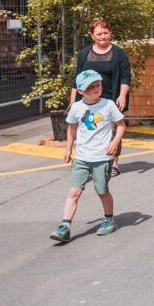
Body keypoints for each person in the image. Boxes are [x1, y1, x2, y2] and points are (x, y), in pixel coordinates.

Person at [50, 70, 126, 243]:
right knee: (74, 191)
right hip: (82, 157)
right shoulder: (77, 107)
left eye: (97, 85)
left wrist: (114, 142)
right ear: (80, 91)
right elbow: (72, 128)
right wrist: (68, 149)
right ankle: (65, 226)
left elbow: (120, 125)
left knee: (102, 191)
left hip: (102, 157)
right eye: (90, 87)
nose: (95, 89)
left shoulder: (108, 105)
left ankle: (109, 219)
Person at [70, 19, 131, 177]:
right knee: (89, 129)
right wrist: (73, 102)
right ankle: (88, 162)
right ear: (92, 35)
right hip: (88, 99)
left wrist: (122, 96)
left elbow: (125, 77)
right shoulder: (85, 54)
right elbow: (76, 79)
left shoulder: (118, 54)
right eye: (99, 34)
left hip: (111, 97)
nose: (103, 36)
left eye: (105, 33)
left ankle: (114, 163)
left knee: (112, 130)